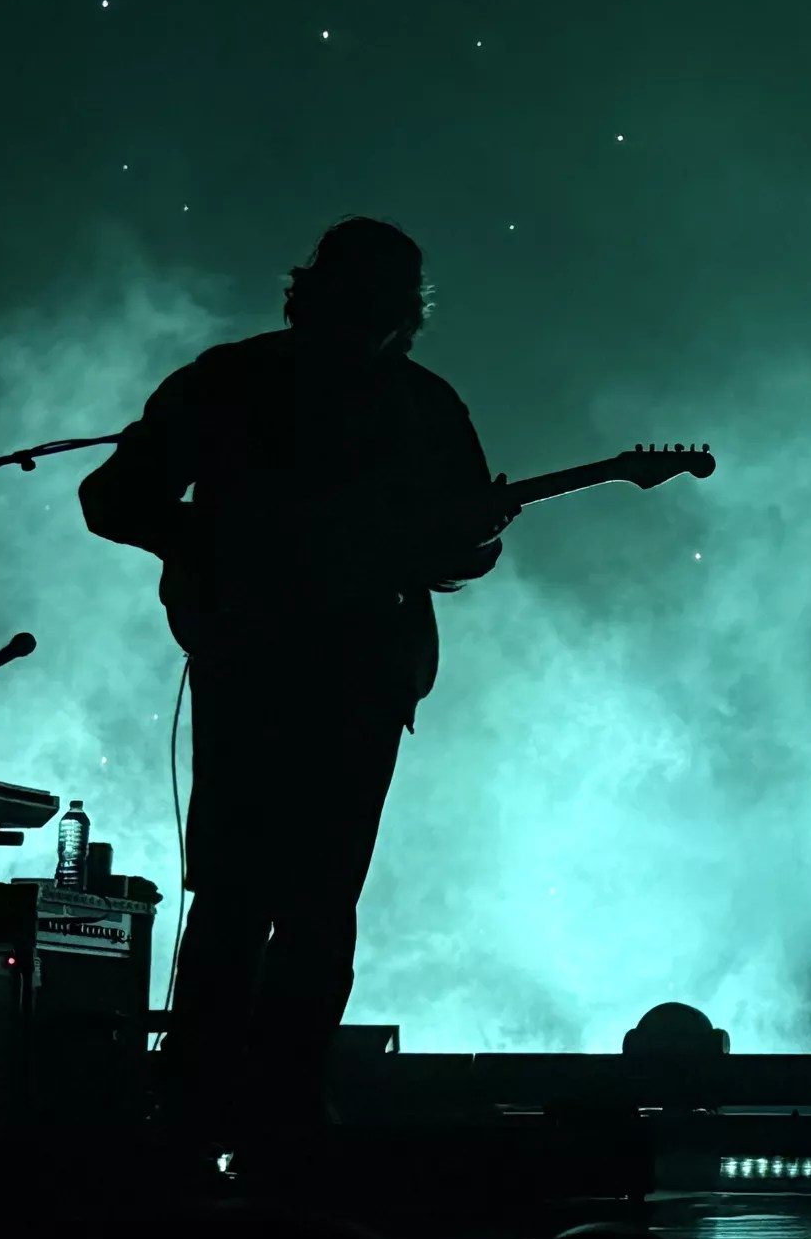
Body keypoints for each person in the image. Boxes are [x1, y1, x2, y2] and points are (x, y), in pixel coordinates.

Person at [80, 216, 515, 1131]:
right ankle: (219, 1100)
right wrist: (226, 545)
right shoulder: (236, 382)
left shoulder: (415, 404)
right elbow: (113, 498)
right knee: (255, 897)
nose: (371, 323)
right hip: (270, 664)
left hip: (347, 673)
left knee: (299, 900)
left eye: (383, 306)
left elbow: (454, 551)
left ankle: (261, 1099)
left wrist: (470, 537)